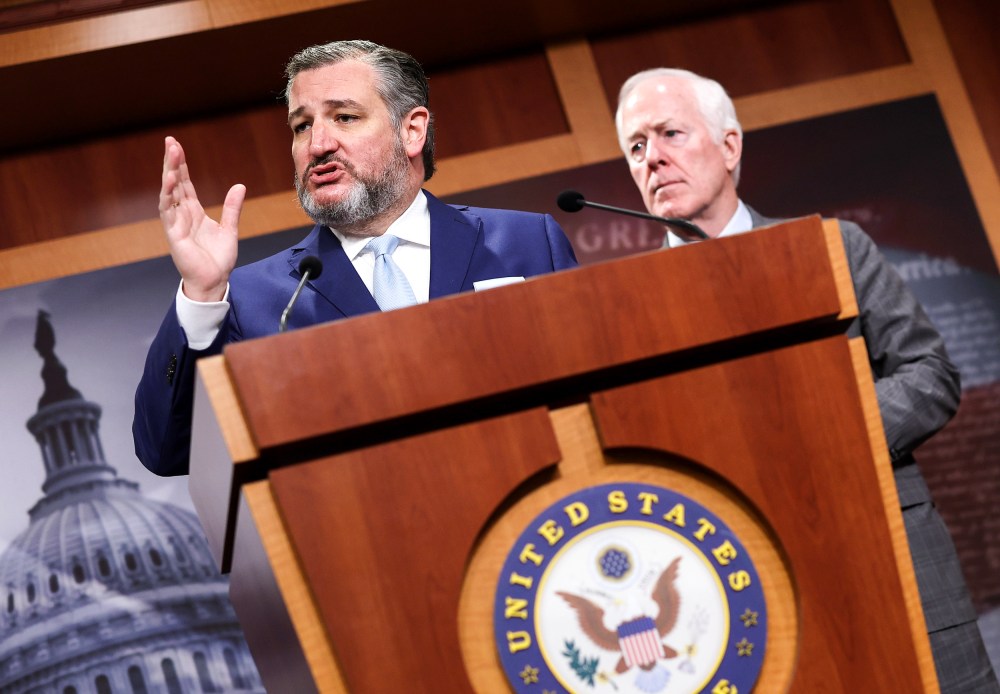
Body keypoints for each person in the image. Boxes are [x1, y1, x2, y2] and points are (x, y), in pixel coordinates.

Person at [615, 66, 998, 693]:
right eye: (636, 146)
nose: (652, 158)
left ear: (729, 145)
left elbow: (930, 375)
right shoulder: (628, 305)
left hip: (893, 556)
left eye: (670, 133)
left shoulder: (832, 247)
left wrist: (827, 430)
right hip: (747, 591)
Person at [133, 40, 578, 477]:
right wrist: (202, 295)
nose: (318, 144)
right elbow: (166, 451)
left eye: (344, 117)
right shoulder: (255, 301)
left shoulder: (526, 242)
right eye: (302, 126)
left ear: (412, 130)